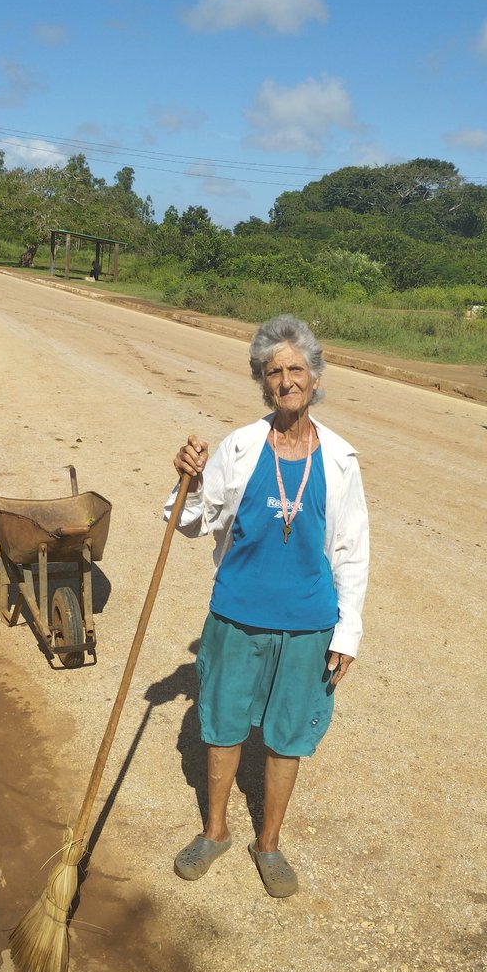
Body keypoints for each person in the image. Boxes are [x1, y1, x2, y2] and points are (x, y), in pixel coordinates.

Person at [164, 315, 369, 898]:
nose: (285, 381)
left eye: (295, 369)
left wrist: (346, 633)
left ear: (316, 376)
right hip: (236, 614)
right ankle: (215, 831)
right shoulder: (240, 446)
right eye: (274, 371)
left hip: (308, 624)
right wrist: (189, 479)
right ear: (263, 383)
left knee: (286, 737)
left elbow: (352, 551)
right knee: (224, 727)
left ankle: (269, 844)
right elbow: (190, 523)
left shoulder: (339, 460)